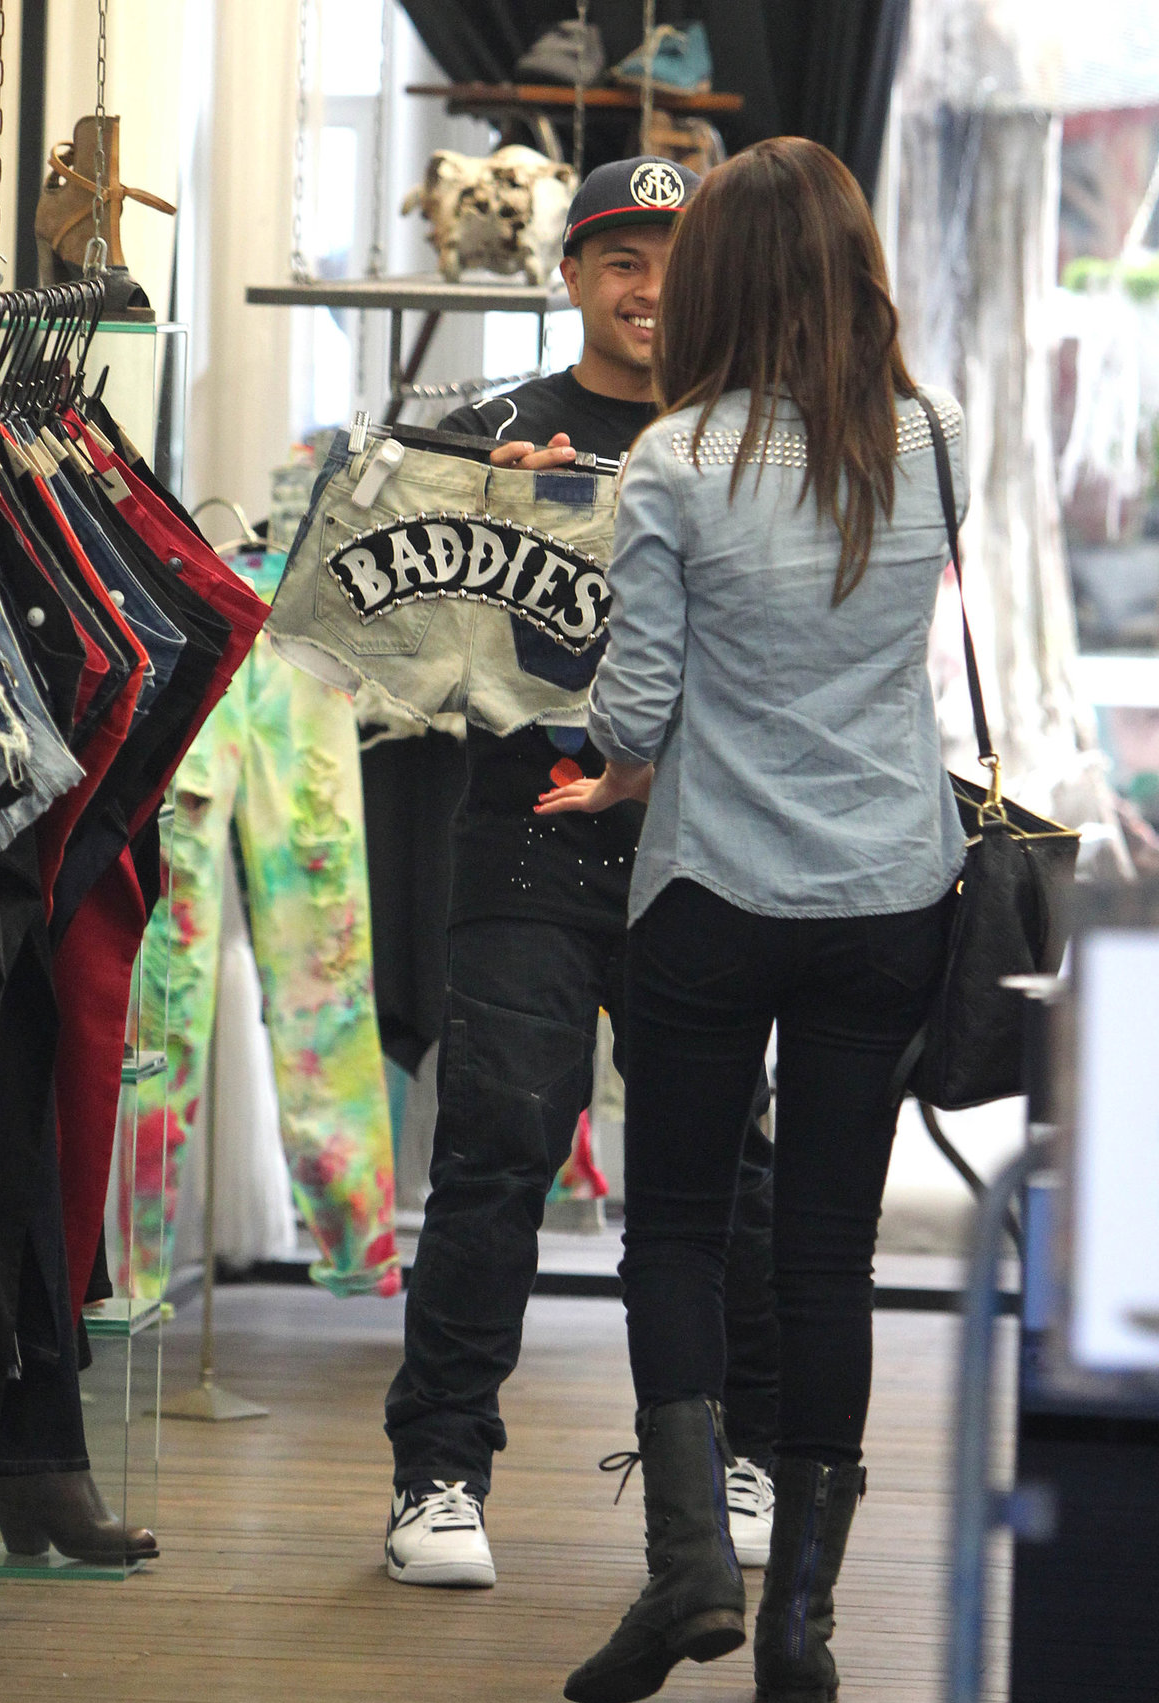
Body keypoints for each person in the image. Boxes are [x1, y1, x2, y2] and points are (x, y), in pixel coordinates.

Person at [538, 137, 967, 1703]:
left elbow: (635, 712)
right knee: (831, 1252)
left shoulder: (676, 461)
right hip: (890, 894)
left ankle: (688, 1569)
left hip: (714, 893)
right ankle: (801, 1623)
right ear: (857, 269)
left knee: (677, 1232)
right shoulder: (934, 439)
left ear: (713, 276)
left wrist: (613, 761)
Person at [383, 157, 779, 1588]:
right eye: (620, 258)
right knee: (497, 1145)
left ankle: (739, 1454)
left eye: (675, 256)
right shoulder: (490, 433)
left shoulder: (759, 446)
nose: (650, 286)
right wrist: (477, 526)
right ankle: (437, 1474)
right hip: (530, 832)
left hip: (706, 847)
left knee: (724, 1161)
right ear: (569, 277)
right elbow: (392, 646)